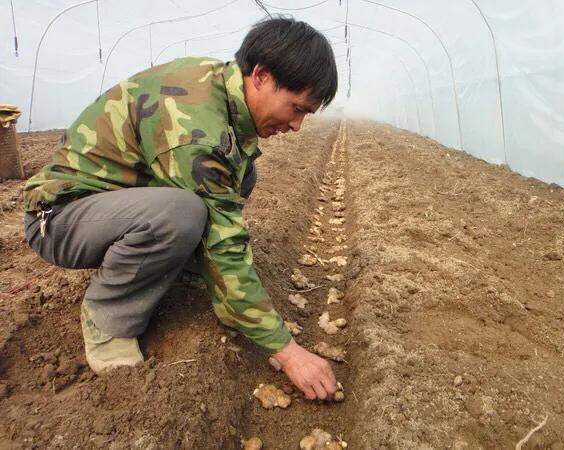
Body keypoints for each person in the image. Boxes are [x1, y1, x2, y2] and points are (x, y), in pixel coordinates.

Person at [22, 17, 338, 401]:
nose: (297, 126)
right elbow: (224, 246)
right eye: (297, 108)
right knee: (181, 212)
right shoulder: (195, 128)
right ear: (261, 76)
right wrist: (287, 351)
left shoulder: (220, 86)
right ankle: (109, 318)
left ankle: (180, 265)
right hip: (58, 217)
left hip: (111, 205)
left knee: (241, 172)